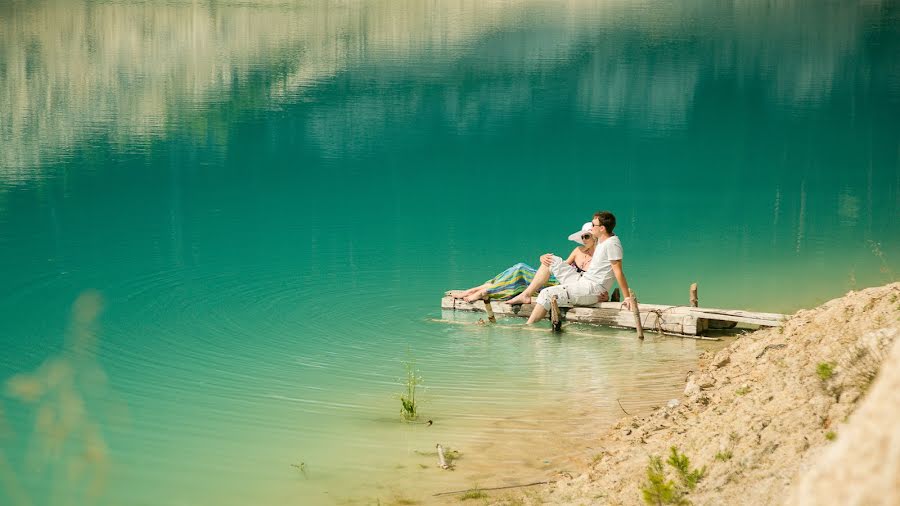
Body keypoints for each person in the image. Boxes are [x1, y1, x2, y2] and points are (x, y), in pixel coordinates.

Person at [517, 210, 633, 325]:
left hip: (592, 289)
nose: (591, 227)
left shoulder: (612, 244)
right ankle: (526, 295)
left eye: (593, 225)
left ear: (602, 228)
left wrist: (627, 297)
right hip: (583, 281)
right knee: (552, 260)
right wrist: (542, 257)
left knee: (546, 293)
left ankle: (528, 327)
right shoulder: (601, 241)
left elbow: (618, 272)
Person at [449, 222, 597, 303]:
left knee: (520, 270)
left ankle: (484, 291)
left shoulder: (600, 256)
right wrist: (542, 259)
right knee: (518, 268)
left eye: (587, 236)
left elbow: (600, 278)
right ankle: (478, 289)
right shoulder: (578, 250)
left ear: (595, 237)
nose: (584, 239)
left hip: (568, 287)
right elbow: (561, 266)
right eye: (583, 236)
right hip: (555, 279)